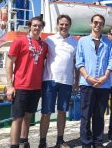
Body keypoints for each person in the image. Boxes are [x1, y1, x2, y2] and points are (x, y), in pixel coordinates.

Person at [6, 16, 48, 148]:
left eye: (39, 26)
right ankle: (14, 145)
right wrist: (9, 86)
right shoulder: (19, 41)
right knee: (17, 118)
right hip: (20, 86)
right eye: (34, 25)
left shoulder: (44, 45)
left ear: (42, 28)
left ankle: (24, 141)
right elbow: (9, 62)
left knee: (28, 117)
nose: (37, 28)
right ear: (30, 26)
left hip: (36, 87)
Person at [39, 15, 78, 148]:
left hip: (66, 82)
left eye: (66, 24)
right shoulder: (49, 40)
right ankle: (42, 142)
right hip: (50, 80)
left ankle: (60, 140)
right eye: (61, 24)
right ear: (57, 24)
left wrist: (76, 82)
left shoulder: (74, 42)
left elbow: (76, 64)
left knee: (62, 111)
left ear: (70, 26)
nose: (64, 27)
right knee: (46, 112)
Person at [76, 14, 112, 148]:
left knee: (99, 115)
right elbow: (79, 62)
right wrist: (87, 77)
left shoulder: (108, 42)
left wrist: (105, 77)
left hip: (103, 84)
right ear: (91, 23)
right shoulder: (82, 41)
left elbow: (110, 62)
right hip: (87, 84)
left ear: (103, 26)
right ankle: (86, 143)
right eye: (96, 22)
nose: (98, 25)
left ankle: (98, 142)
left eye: (101, 23)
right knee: (85, 116)